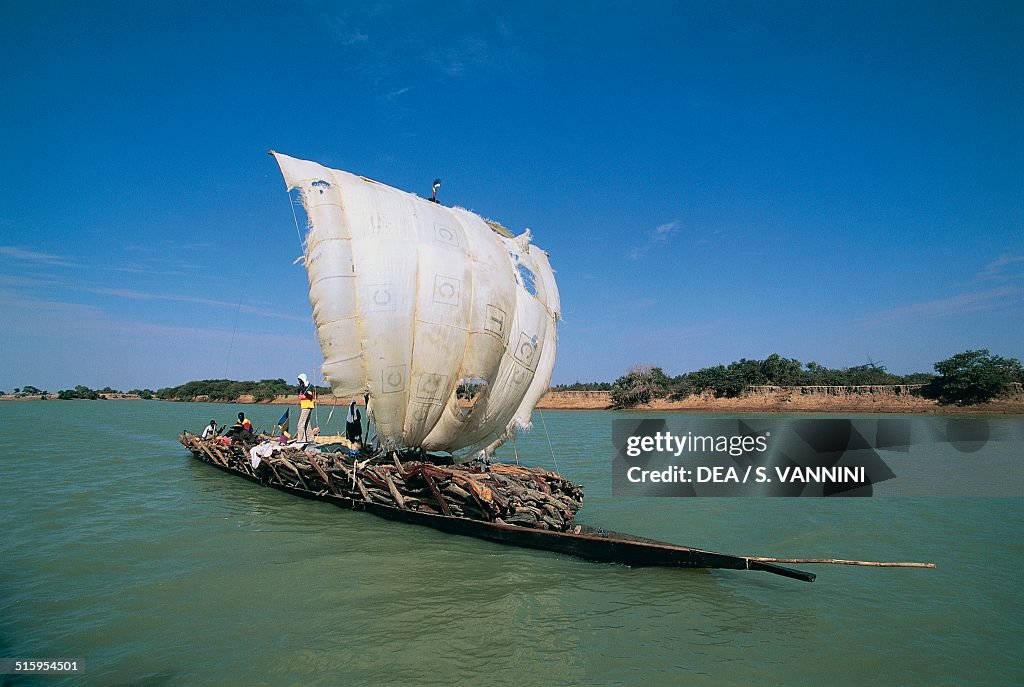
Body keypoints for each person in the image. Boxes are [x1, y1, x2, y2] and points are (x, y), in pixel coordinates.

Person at [296, 373, 316, 442]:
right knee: (307, 423)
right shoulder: (303, 387)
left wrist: (303, 389)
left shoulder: (309, 386)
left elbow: (310, 396)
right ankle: (310, 439)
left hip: (307, 406)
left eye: (300, 381)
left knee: (300, 424)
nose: (299, 382)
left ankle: (301, 440)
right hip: (304, 406)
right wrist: (299, 390)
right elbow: (300, 395)